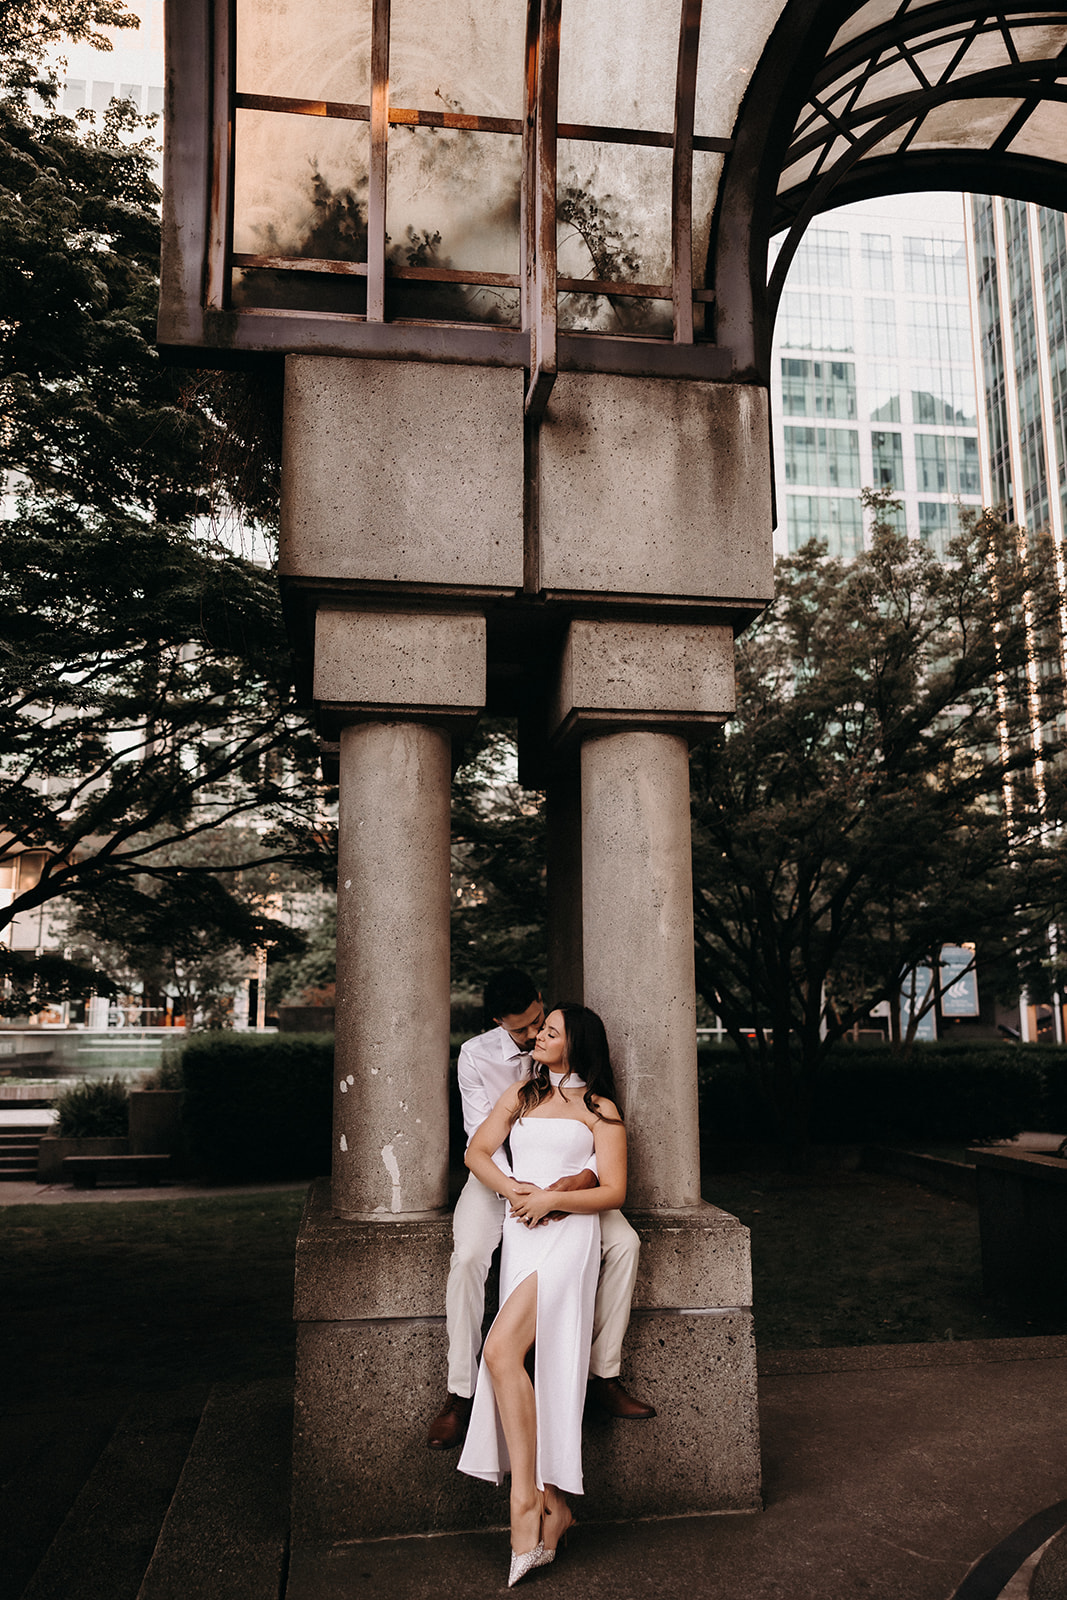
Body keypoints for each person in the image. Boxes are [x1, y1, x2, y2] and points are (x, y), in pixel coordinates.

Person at [426, 968, 654, 1450]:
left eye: (541, 1023)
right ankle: (460, 1394)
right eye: (524, 1029)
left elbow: (597, 1129)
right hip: (499, 1179)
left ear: (542, 1003)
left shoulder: (581, 1070)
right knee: (468, 1257)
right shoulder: (476, 1057)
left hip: (569, 1178)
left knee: (626, 1244)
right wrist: (517, 1189)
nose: (534, 1035)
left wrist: (578, 1181)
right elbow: (478, 1141)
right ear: (497, 1021)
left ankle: (602, 1374)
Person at [457, 1004, 627, 1584]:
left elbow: (615, 1190)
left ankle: (526, 1504)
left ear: (575, 1046)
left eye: (551, 1032)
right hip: (522, 1234)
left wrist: (554, 1200)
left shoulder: (600, 1109)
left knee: (501, 1352)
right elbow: (476, 1153)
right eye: (540, 1030)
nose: (538, 1037)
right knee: (520, 1360)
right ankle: (553, 1507)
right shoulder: (523, 1095)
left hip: (566, 1239)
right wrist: (515, 1190)